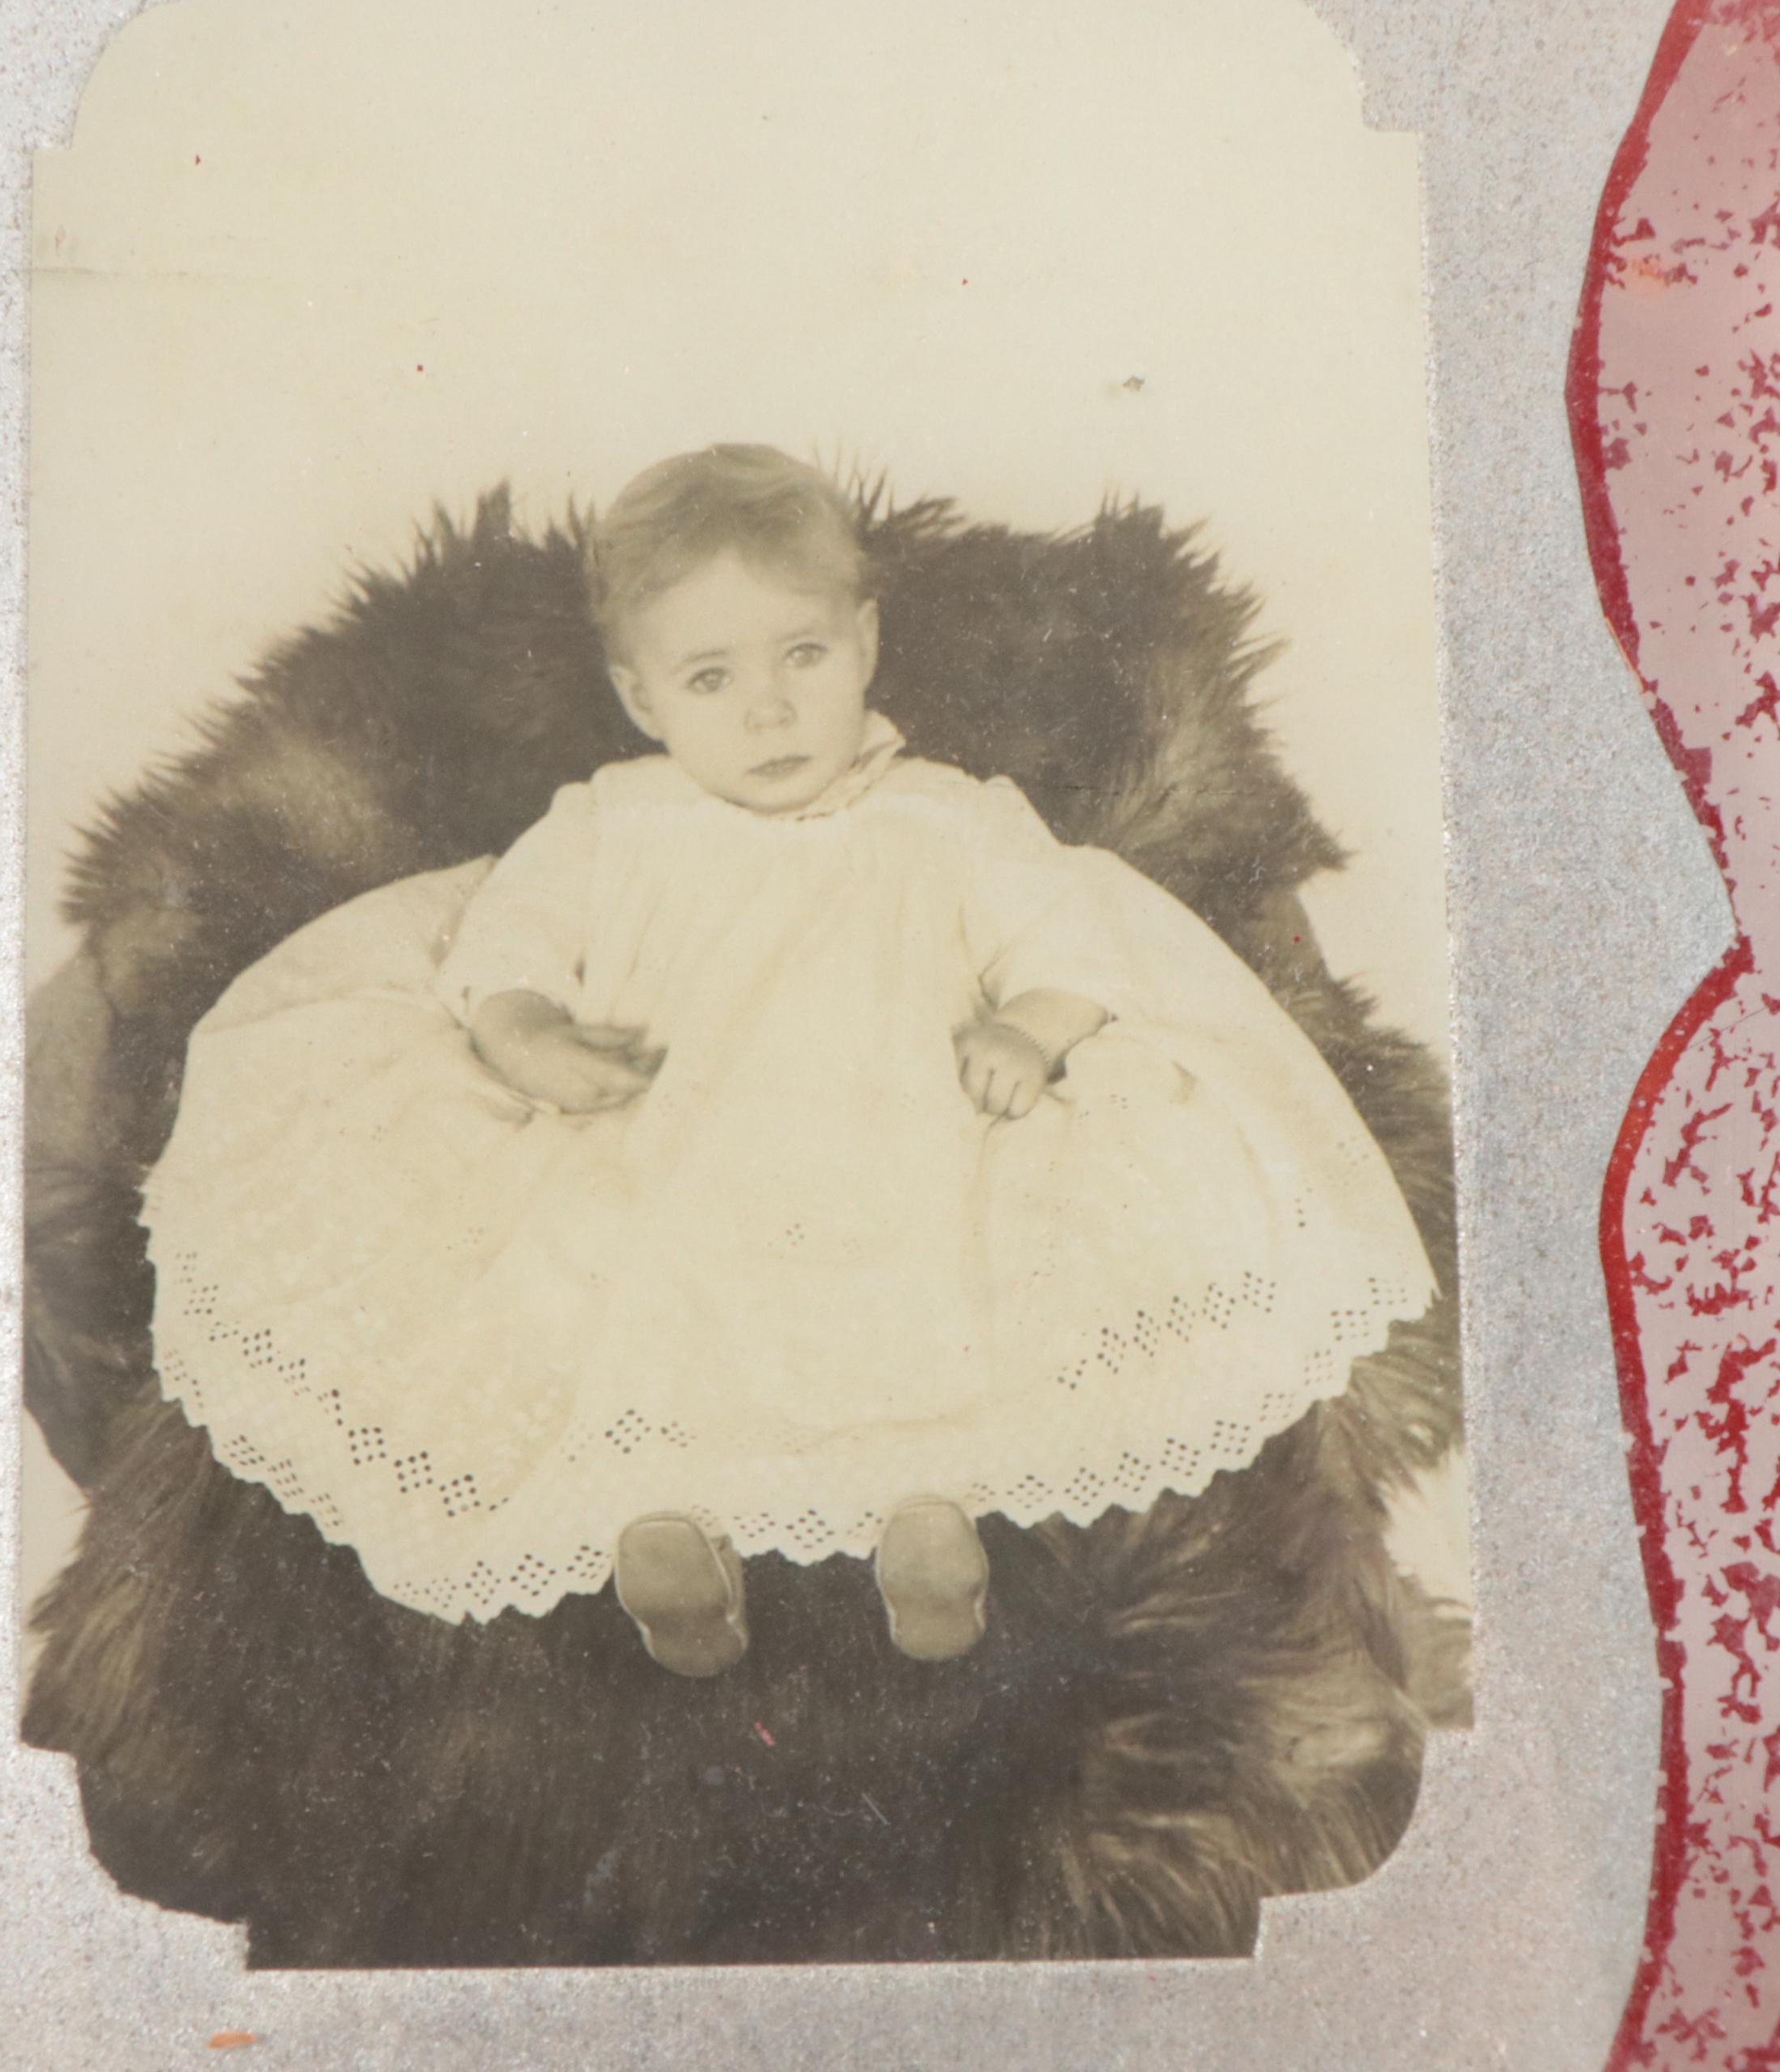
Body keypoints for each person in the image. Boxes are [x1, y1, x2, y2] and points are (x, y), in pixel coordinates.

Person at [139, 445, 1434, 1677]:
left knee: (932, 1300)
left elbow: (1074, 938)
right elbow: (505, 945)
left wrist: (1025, 1027)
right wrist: (530, 1035)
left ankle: (928, 1524)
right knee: (622, 1293)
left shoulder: (950, 818)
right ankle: (667, 1534)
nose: (768, 710)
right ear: (641, 697)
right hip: (663, 1134)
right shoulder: (611, 824)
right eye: (709, 681)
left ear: (865, 640)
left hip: (894, 1141)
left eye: (803, 656)